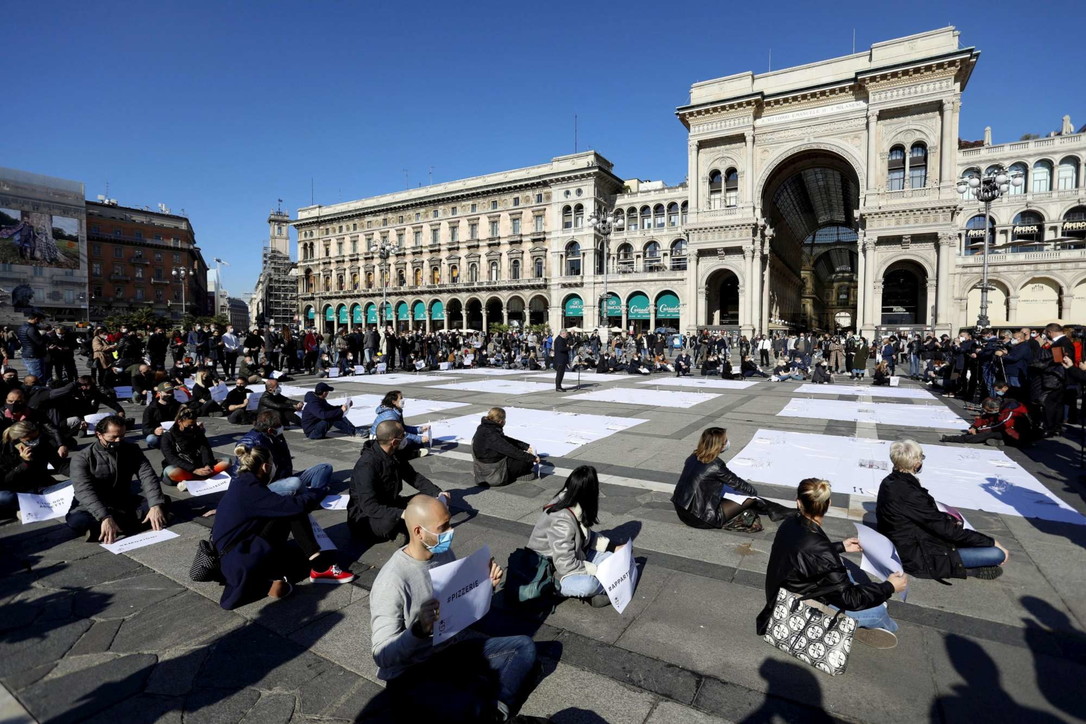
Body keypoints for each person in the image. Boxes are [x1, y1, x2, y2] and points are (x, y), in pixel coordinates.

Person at [370, 494, 540, 723]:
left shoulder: (443, 553)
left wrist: (486, 588)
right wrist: (419, 629)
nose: (451, 531)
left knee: (524, 647)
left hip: (448, 651)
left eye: (449, 522)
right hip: (413, 671)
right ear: (419, 532)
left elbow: (460, 609)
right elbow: (382, 655)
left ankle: (496, 711)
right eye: (444, 527)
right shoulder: (392, 580)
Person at [756, 478, 908, 649]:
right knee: (878, 610)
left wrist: (840, 546)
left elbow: (805, 552)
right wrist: (890, 587)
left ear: (798, 503)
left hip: (781, 593)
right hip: (795, 607)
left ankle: (851, 618)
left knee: (846, 573)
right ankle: (864, 625)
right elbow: (850, 599)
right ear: (829, 503)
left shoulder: (790, 522)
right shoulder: (820, 549)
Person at [212, 442, 355, 610]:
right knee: (292, 509)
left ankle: (276, 575)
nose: (274, 468)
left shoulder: (242, 483)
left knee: (288, 508)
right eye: (272, 464)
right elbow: (295, 506)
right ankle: (320, 567)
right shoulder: (251, 490)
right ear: (265, 467)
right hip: (241, 557)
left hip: (234, 553)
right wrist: (319, 492)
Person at [876, 439, 1009, 580]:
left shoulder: (889, 481)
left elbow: (926, 517)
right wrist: (991, 541)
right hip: (915, 555)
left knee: (963, 536)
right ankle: (970, 570)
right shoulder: (909, 492)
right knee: (996, 554)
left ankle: (967, 564)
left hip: (904, 542)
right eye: (921, 457)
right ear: (916, 463)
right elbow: (945, 530)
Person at [526, 465, 621, 607]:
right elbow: (565, 565)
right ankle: (592, 590)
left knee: (614, 559)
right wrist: (596, 571)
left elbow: (585, 537)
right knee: (588, 585)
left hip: (575, 556)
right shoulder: (562, 519)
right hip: (551, 571)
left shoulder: (575, 504)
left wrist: (613, 547)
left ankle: (600, 589)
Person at [66, 415, 170, 543]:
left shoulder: (132, 449)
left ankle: (107, 529)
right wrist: (104, 516)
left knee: (162, 502)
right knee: (76, 521)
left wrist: (155, 505)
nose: (118, 441)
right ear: (99, 435)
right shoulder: (82, 458)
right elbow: (84, 490)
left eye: (122, 436)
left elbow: (147, 475)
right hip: (91, 504)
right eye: (113, 437)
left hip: (122, 500)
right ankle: (122, 524)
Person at [348, 420, 450, 542]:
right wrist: (402, 514)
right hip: (365, 515)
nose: (405, 439)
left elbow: (413, 477)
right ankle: (399, 530)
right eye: (403, 436)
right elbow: (369, 506)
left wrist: (437, 492)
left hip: (390, 503)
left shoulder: (394, 454)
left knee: (427, 500)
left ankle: (406, 526)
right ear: (395, 441)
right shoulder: (367, 465)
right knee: (389, 522)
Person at [672, 427, 787, 533]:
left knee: (728, 491)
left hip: (682, 511)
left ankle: (775, 510)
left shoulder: (693, 457)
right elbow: (748, 490)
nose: (727, 442)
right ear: (719, 446)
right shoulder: (716, 466)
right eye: (725, 440)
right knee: (749, 498)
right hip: (702, 518)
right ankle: (776, 510)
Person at [237, 410, 333, 496]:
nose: (281, 427)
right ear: (270, 430)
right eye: (279, 425)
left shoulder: (275, 435)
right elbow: (239, 474)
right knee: (295, 483)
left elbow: (285, 460)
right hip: (265, 488)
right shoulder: (250, 443)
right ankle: (314, 495)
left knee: (324, 468)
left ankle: (314, 493)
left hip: (284, 478)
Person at [0, 421, 69, 518]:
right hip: (18, 493)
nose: (35, 441)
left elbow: (61, 466)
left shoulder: (43, 443)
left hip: (43, 489)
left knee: (78, 483)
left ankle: (29, 508)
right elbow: (5, 481)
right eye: (31, 439)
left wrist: (79, 473)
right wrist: (24, 463)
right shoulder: (4, 453)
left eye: (37, 437)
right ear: (17, 440)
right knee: (4, 498)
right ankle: (16, 512)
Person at [159, 407, 230, 489]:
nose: (192, 428)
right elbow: (171, 458)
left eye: (194, 425)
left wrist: (207, 465)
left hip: (199, 464)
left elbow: (205, 449)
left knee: (226, 461)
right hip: (183, 467)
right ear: (179, 422)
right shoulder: (167, 436)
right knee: (171, 471)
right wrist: (194, 470)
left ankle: (193, 480)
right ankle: (197, 478)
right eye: (189, 425)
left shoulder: (197, 431)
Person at [472, 407, 538, 487]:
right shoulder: (492, 434)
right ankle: (516, 475)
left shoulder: (484, 427)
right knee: (525, 462)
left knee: (519, 457)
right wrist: (532, 458)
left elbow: (504, 440)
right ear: (500, 421)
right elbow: (511, 450)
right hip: (495, 475)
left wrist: (525, 446)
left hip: (482, 469)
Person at [940, 396, 1030, 447]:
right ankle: (1002, 441)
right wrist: (974, 426)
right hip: (1007, 430)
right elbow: (985, 418)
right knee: (985, 431)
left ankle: (954, 438)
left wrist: (980, 430)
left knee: (987, 434)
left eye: (988, 410)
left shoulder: (1011, 410)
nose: (987, 412)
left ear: (995, 408)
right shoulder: (999, 408)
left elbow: (1002, 425)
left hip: (1016, 433)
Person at [373, 390, 430, 456]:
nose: (403, 400)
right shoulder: (390, 415)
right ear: (393, 402)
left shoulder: (396, 411)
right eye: (401, 398)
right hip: (379, 440)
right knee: (408, 442)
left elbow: (403, 428)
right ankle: (411, 454)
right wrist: (419, 439)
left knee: (415, 442)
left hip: (386, 437)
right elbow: (401, 433)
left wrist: (420, 429)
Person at [142, 382, 181, 449]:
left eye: (171, 392)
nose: (170, 394)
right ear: (159, 393)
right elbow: (145, 429)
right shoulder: (151, 409)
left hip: (175, 432)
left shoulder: (177, 405)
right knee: (151, 439)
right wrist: (154, 431)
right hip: (160, 434)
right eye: (167, 392)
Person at [17, 310, 47, 379]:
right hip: (34, 355)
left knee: (32, 376)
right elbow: (40, 342)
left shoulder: (22, 327)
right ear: (36, 319)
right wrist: (45, 335)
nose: (40, 322)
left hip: (27, 353)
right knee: (38, 377)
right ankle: (38, 389)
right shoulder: (31, 328)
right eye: (40, 320)